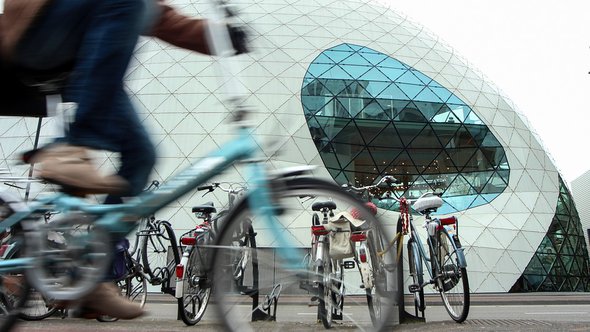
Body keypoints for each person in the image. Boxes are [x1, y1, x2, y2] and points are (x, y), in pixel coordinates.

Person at [0, 0, 248, 319]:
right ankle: (74, 145)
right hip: (36, 36)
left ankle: (92, 277)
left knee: (142, 155)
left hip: (83, 69)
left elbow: (164, 19)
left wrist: (224, 37)